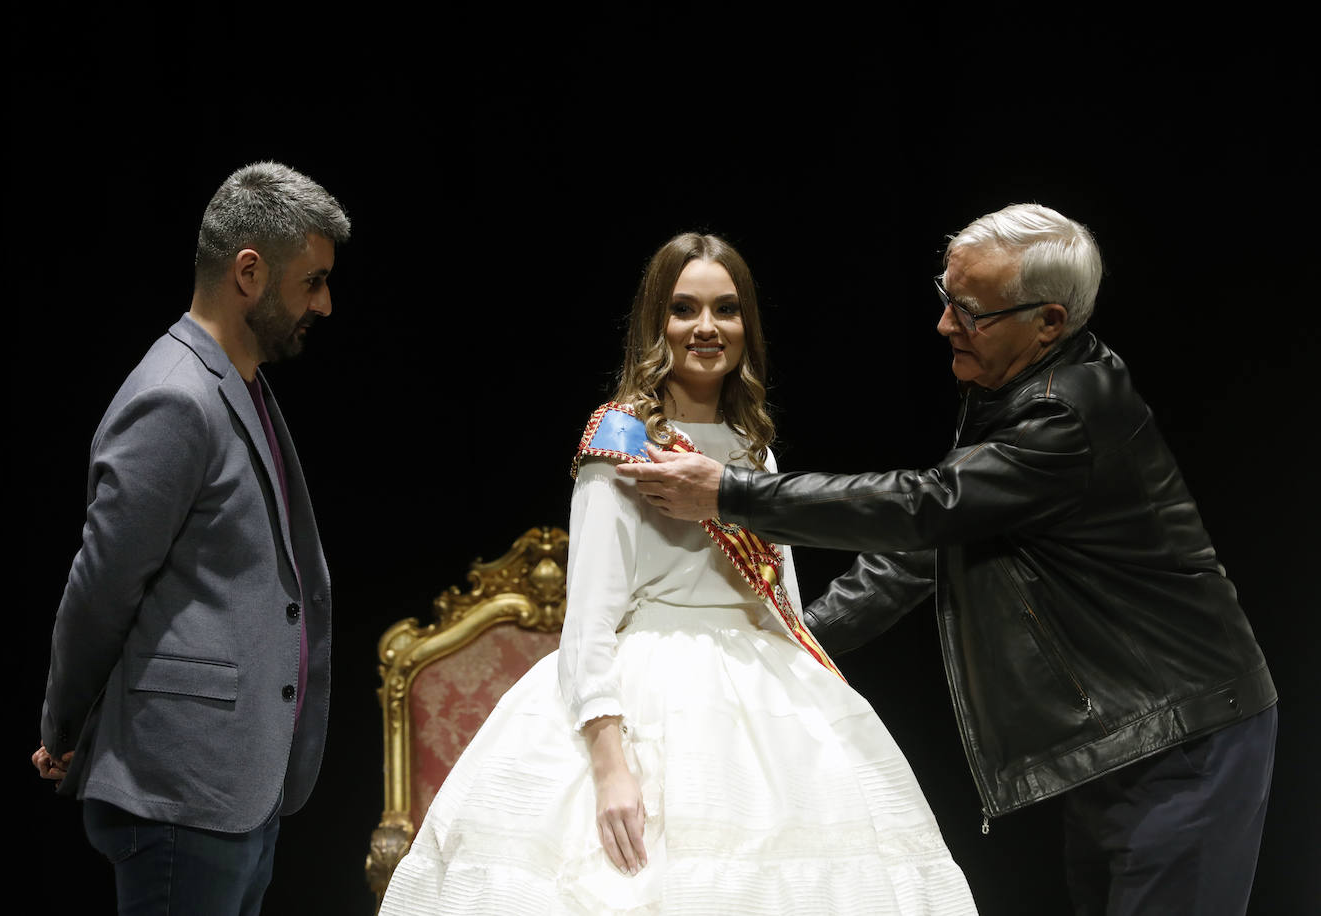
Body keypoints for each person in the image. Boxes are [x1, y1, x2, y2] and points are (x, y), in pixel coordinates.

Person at [619, 205, 1277, 915]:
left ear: (1048, 322)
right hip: (1123, 740)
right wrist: (795, 642)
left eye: (969, 310)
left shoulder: (1068, 412)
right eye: (946, 297)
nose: (943, 325)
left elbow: (925, 506)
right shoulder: (1012, 394)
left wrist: (731, 492)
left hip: (1183, 739)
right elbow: (926, 547)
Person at [379, 232, 976, 915]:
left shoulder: (757, 445)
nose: (706, 327)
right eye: (684, 308)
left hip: (762, 693)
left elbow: (783, 603)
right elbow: (591, 616)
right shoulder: (623, 436)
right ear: (654, 323)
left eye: (726, 308)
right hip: (647, 686)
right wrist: (610, 768)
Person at [32, 161, 350, 915]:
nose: (326, 304)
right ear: (249, 273)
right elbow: (102, 586)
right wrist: (66, 724)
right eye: (312, 282)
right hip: (181, 793)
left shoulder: (238, 383)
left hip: (236, 787)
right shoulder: (175, 396)